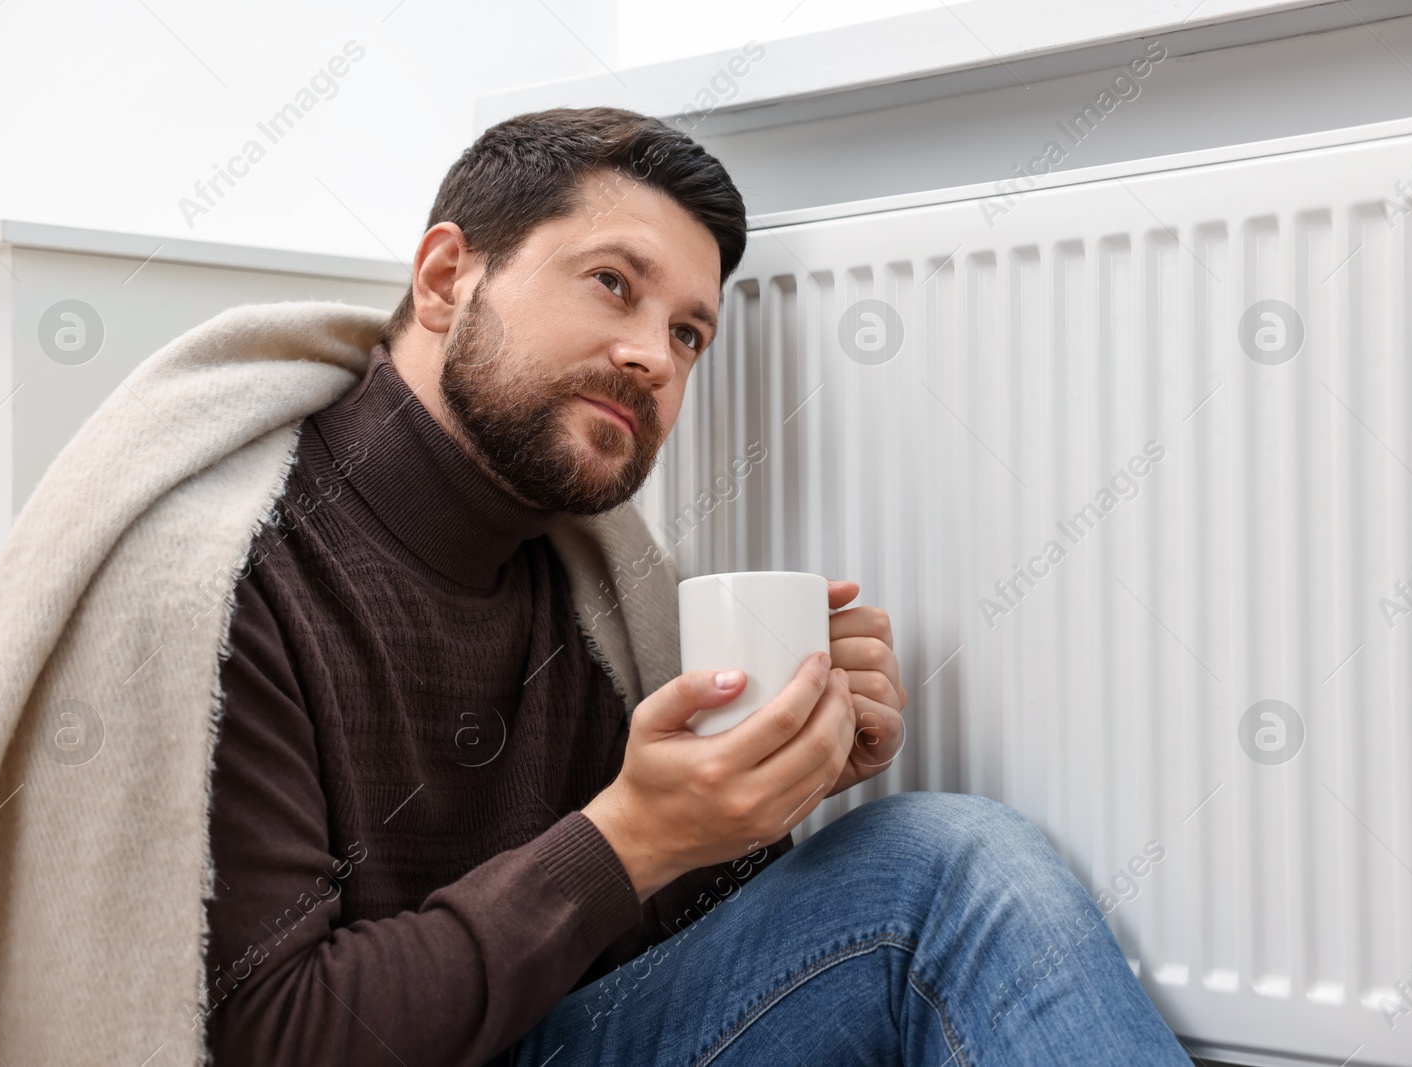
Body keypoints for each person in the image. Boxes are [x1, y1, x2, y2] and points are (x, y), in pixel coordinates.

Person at [201, 106, 1194, 1067]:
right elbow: (275, 1034)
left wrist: (761, 788)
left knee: (926, 860)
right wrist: (627, 835)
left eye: (688, 333)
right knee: (948, 865)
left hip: (553, 1031)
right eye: (610, 282)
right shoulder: (234, 575)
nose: (652, 358)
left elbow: (654, 942)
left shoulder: (583, 580)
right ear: (447, 277)